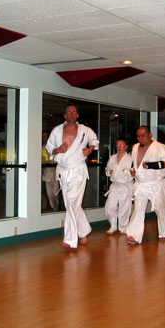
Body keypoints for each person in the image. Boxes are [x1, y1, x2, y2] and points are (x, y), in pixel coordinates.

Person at [45, 104, 99, 249]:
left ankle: (69, 239)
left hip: (78, 170)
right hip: (64, 171)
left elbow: (95, 141)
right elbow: (49, 148)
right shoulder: (57, 130)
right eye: (69, 112)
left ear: (77, 115)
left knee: (71, 202)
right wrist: (58, 150)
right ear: (65, 116)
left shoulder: (85, 130)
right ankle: (84, 231)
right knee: (72, 204)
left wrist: (89, 150)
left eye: (74, 112)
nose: (71, 114)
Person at [126, 126, 165, 244]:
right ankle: (134, 235)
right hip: (141, 184)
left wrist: (152, 165)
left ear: (149, 135)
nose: (140, 138)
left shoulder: (160, 147)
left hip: (156, 183)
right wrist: (133, 171)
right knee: (138, 209)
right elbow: (134, 163)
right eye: (138, 136)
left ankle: (164, 233)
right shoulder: (135, 147)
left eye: (143, 136)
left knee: (161, 210)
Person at [104, 138, 133, 235]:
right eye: (118, 145)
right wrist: (109, 172)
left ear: (126, 146)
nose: (119, 147)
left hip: (126, 186)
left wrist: (127, 172)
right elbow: (107, 170)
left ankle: (123, 228)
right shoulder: (112, 158)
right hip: (115, 185)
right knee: (109, 207)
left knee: (124, 209)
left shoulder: (130, 158)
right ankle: (113, 225)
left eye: (122, 145)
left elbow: (134, 173)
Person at [41, 130, 59, 211]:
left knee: (55, 193)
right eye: (43, 136)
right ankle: (54, 209)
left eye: (45, 136)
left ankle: (57, 208)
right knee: (50, 194)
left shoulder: (56, 146)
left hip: (56, 172)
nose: (43, 138)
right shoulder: (42, 147)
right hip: (47, 173)